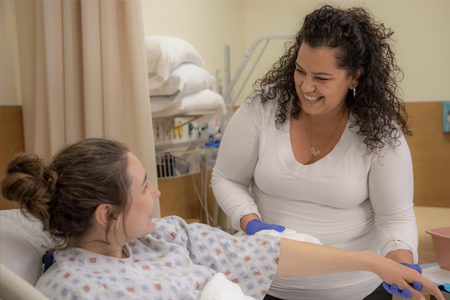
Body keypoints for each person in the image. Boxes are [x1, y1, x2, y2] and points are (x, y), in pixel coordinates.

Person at [1, 138, 443, 300]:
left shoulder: (166, 237)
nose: (156, 193)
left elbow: (261, 254)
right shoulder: (74, 290)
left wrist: (374, 262)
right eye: (143, 188)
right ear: (107, 214)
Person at [212, 4, 421, 300]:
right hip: (264, 284)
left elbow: (395, 220)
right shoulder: (263, 108)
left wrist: (401, 266)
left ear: (354, 77)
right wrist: (249, 221)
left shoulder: (378, 132)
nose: (306, 86)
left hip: (355, 291)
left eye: (322, 78)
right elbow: (226, 178)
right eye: (300, 70)